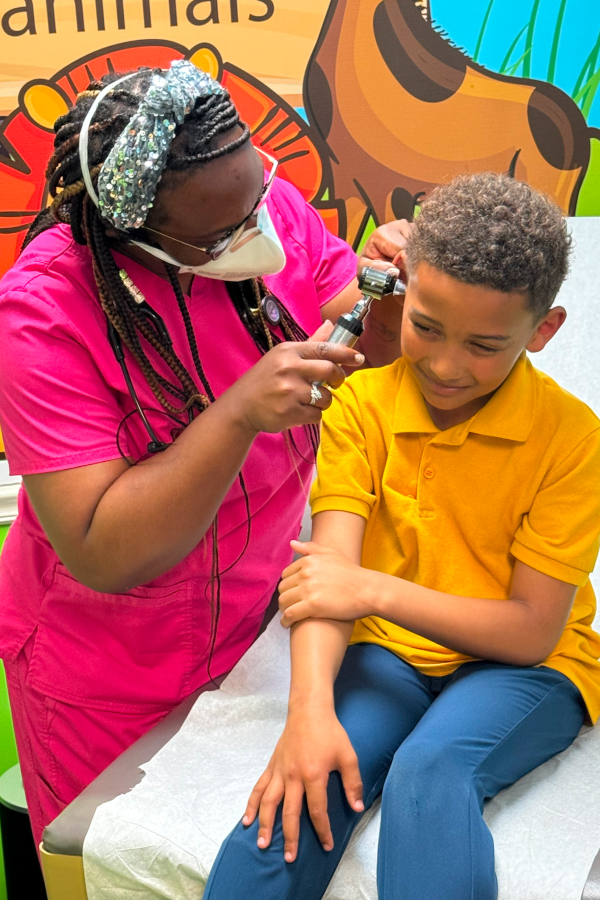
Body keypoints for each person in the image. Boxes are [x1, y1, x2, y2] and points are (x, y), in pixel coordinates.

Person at [0, 59, 409, 847]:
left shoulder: (259, 203)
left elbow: (355, 329)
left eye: (259, 191)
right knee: (123, 866)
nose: (263, 228)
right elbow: (100, 550)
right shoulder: (42, 316)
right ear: (133, 231)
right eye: (224, 231)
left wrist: (394, 286)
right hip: (111, 677)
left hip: (259, 634)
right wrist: (236, 418)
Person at [204, 173, 600, 900]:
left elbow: (529, 633)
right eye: (426, 326)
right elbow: (329, 578)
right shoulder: (360, 403)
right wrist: (308, 716)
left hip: (526, 670)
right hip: (391, 655)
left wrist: (371, 589)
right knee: (302, 783)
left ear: (543, 331)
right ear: (400, 293)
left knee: (433, 769)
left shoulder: (574, 440)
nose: (448, 366)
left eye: (486, 345)